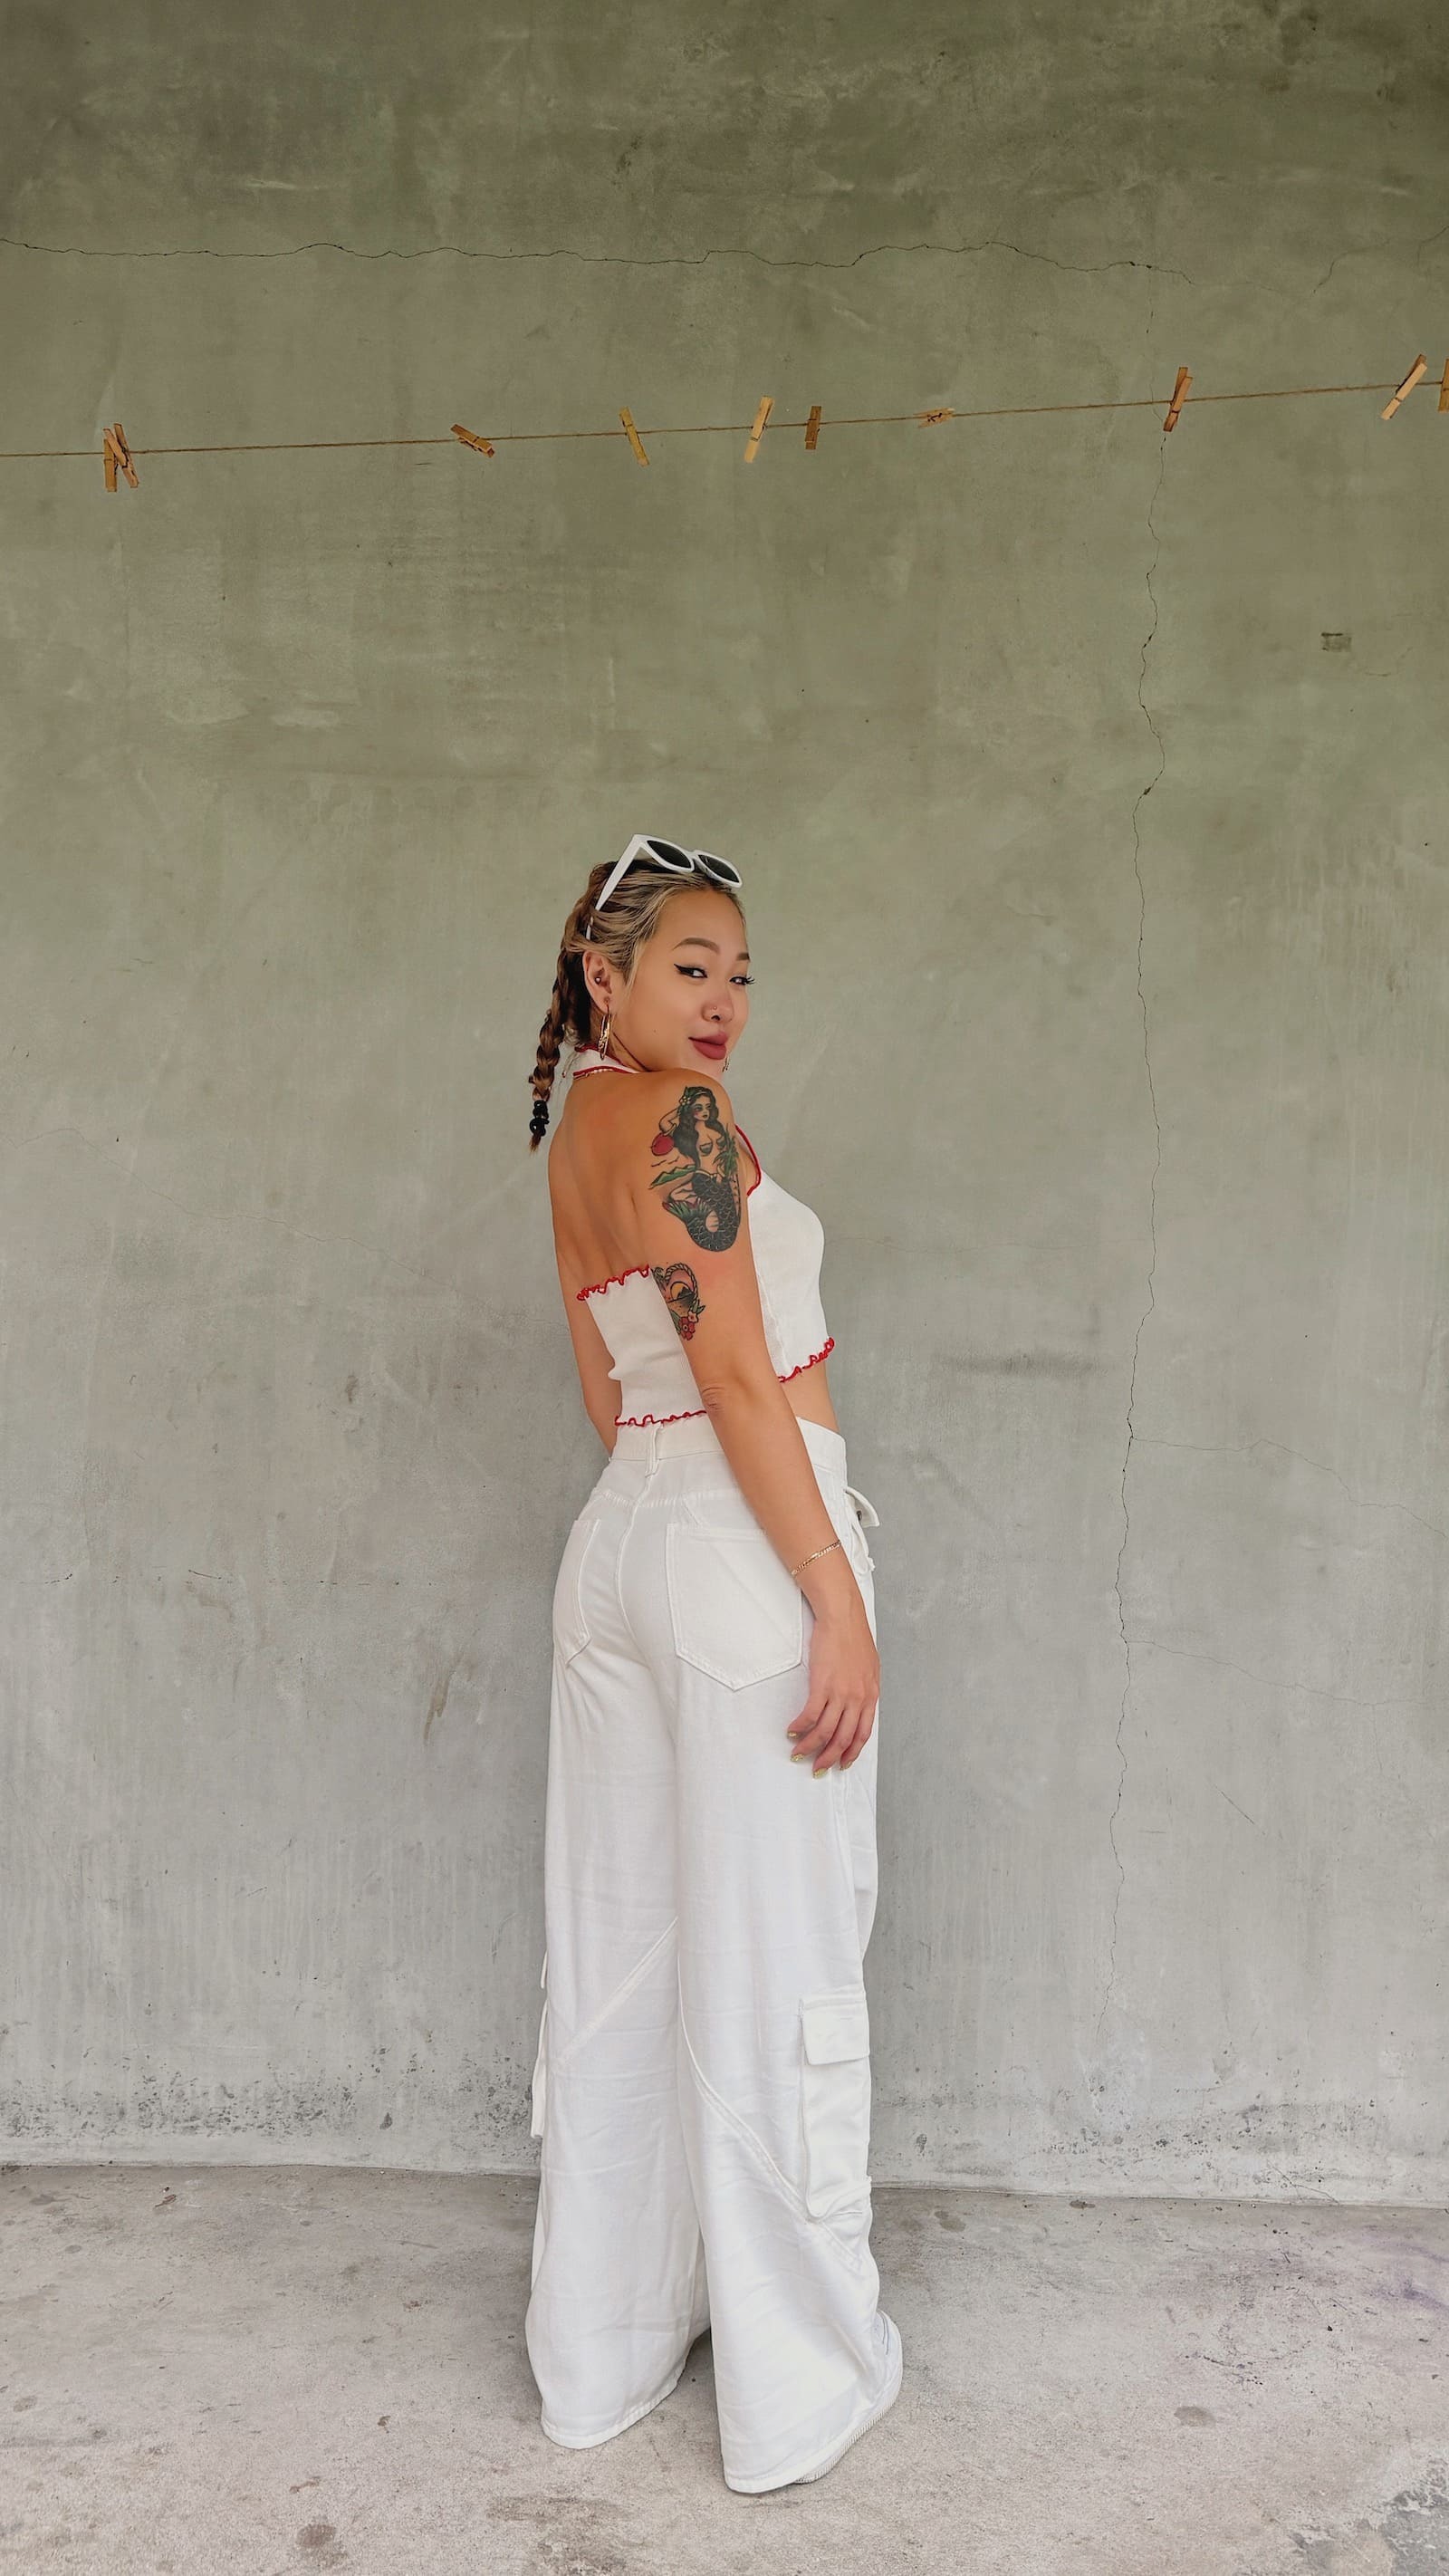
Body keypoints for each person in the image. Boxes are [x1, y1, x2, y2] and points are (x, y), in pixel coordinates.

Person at [521, 835, 903, 2494]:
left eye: (740, 972)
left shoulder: (578, 1132)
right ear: (604, 975)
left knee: (622, 1952)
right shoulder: (682, 1120)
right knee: (774, 1953)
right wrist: (831, 1595)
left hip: (622, 1538)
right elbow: (742, 1378)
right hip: (748, 1547)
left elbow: (611, 1389)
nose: (724, 999)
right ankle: (798, 2388)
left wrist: (674, 1515)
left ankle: (602, 2354)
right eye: (690, 966)